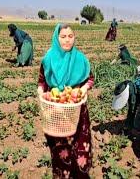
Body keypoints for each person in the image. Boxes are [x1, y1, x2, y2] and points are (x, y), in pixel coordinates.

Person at [37, 23, 94, 179]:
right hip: (55, 110)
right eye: (63, 37)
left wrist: (81, 90)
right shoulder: (48, 59)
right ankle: (63, 174)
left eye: (70, 36)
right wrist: (42, 93)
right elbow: (41, 82)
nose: (67, 40)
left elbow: (90, 79)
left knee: (80, 145)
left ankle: (81, 173)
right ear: (57, 38)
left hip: (77, 109)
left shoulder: (80, 59)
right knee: (61, 149)